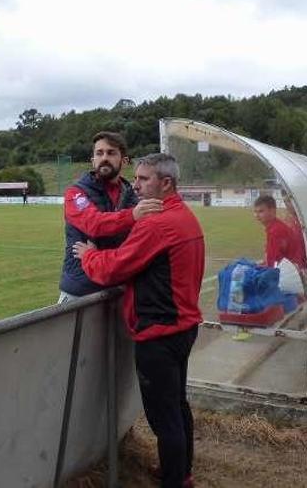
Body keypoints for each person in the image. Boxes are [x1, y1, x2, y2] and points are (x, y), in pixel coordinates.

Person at [73, 153, 204, 488]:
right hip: (183, 327)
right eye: (138, 177)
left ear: (166, 183)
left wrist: (89, 256)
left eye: (144, 179)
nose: (137, 184)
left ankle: (176, 480)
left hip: (158, 333)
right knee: (176, 404)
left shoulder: (157, 223)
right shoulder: (184, 216)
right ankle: (181, 471)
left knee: (164, 417)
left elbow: (114, 268)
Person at [58, 131, 162, 303]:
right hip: (81, 289)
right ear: (92, 160)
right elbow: (94, 224)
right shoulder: (76, 193)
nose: (104, 157)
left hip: (120, 287)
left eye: (111, 152)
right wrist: (133, 216)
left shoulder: (131, 195)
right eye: (99, 153)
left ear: (124, 160)